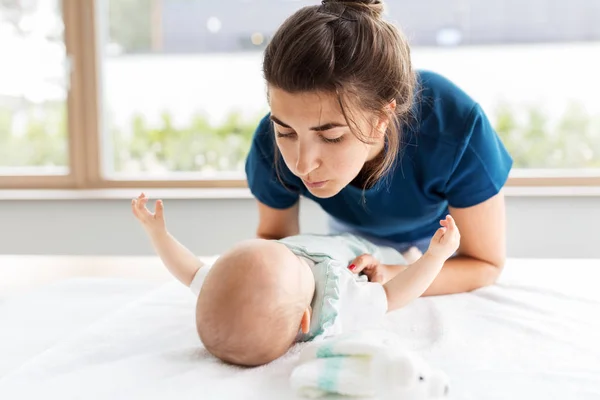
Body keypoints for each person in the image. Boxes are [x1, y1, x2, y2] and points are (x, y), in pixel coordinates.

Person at [245, 0, 513, 296]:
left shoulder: (455, 126)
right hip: (349, 233)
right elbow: (275, 244)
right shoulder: (269, 143)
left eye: (331, 136)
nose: (302, 165)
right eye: (286, 132)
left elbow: (484, 262)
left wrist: (390, 274)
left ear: (381, 119)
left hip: (439, 238)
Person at [131, 192, 460, 367]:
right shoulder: (337, 305)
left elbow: (188, 270)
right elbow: (394, 294)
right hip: (369, 254)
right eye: (296, 263)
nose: (300, 256)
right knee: (398, 258)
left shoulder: (227, 292)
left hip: (334, 235)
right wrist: (435, 258)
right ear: (306, 317)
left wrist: (157, 235)